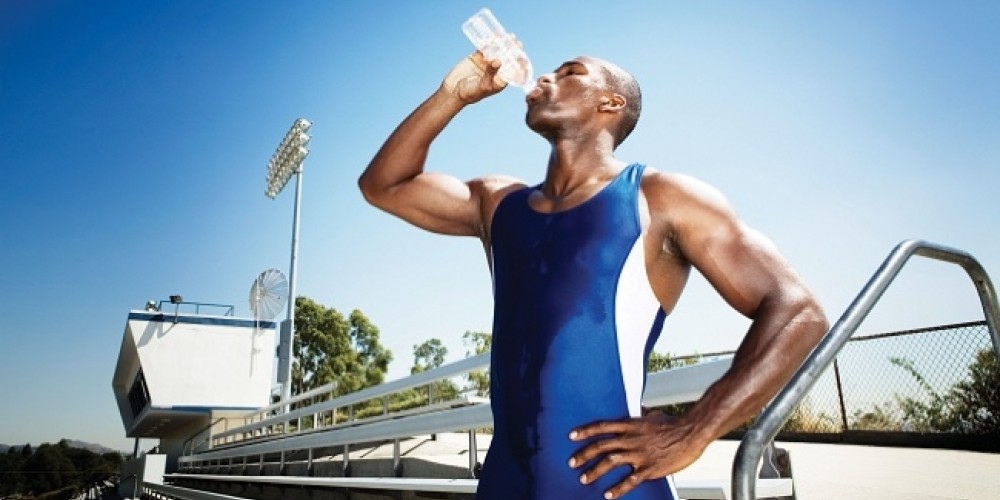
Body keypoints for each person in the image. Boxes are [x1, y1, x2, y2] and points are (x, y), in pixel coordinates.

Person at [359, 51, 828, 500]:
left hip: (611, 484)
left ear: (611, 103)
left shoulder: (661, 198)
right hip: (504, 481)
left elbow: (799, 311)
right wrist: (452, 95)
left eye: (571, 73)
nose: (544, 78)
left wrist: (694, 429)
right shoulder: (497, 203)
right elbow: (384, 185)